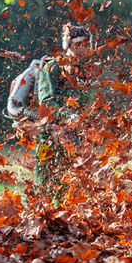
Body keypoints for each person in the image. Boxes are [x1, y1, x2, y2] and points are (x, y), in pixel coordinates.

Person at [34, 23, 95, 202]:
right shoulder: (51, 68)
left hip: (73, 135)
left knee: (66, 182)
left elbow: (86, 103)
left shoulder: (84, 72)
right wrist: (67, 115)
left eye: (86, 45)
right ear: (67, 45)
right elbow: (45, 102)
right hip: (51, 134)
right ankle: (35, 217)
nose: (83, 49)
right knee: (44, 180)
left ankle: (59, 219)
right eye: (78, 45)